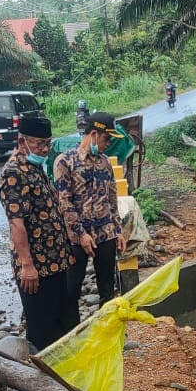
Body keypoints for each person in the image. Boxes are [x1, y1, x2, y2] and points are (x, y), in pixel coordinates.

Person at [0, 115, 77, 351]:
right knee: (42, 329)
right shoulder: (13, 173)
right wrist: (27, 265)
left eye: (48, 143)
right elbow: (16, 224)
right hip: (38, 268)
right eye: (39, 144)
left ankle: (63, 376)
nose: (44, 149)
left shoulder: (35, 167)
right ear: (22, 142)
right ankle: (40, 382)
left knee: (62, 323)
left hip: (56, 262)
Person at [54, 112, 124, 320]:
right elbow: (65, 203)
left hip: (105, 234)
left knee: (107, 290)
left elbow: (112, 199)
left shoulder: (105, 162)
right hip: (77, 238)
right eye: (106, 139)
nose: (108, 144)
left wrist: (118, 230)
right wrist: (81, 234)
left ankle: (106, 332)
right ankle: (73, 336)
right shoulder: (66, 162)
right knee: (71, 290)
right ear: (93, 134)